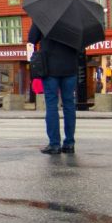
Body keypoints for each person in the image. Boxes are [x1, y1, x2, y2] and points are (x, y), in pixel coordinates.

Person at [28, 23, 78, 155]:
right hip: (70, 67)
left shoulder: (44, 16)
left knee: (51, 105)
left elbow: (32, 38)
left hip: (50, 69)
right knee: (69, 105)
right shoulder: (74, 17)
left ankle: (54, 144)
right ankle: (69, 143)